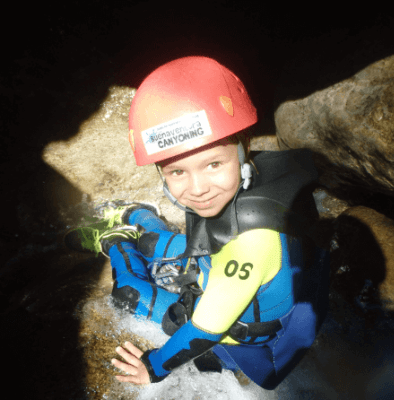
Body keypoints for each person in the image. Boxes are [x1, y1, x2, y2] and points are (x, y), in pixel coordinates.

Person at [65, 56, 330, 389]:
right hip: (217, 267)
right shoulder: (249, 182)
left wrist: (153, 367)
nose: (198, 189)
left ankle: (115, 241)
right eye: (177, 171)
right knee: (150, 245)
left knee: (128, 293)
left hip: (235, 304)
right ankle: (135, 215)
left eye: (213, 164)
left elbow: (207, 329)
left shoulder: (252, 243)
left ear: (244, 147)